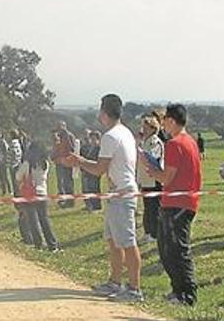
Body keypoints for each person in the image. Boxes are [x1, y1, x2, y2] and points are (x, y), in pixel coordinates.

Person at [67, 94, 143, 303]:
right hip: (117, 193)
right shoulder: (125, 132)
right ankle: (115, 282)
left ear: (103, 113)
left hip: (122, 193)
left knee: (127, 242)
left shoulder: (110, 137)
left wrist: (79, 161)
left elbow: (99, 169)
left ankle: (135, 288)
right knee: (113, 241)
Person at [144, 103, 201, 306]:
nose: (163, 126)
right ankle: (178, 290)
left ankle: (186, 293)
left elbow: (167, 178)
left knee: (175, 249)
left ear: (170, 121)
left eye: (165, 121)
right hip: (184, 201)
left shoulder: (175, 144)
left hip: (177, 203)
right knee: (168, 247)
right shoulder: (190, 142)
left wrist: (153, 171)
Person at [16, 139, 59, 252]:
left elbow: (18, 177)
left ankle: (38, 244)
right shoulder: (46, 164)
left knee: (33, 220)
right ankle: (52, 244)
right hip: (43, 193)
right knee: (44, 219)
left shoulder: (27, 164)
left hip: (30, 194)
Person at [137, 116, 164, 245]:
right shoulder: (145, 141)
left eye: (146, 127)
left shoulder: (155, 142)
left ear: (153, 128)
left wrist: (142, 154)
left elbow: (153, 158)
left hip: (154, 180)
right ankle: (147, 232)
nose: (144, 129)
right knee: (147, 207)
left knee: (154, 208)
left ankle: (155, 233)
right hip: (145, 180)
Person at [54, 122, 76, 208]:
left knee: (68, 183)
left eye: (60, 127)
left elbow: (72, 148)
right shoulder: (59, 137)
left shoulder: (69, 136)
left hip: (67, 162)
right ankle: (63, 200)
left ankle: (70, 202)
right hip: (59, 162)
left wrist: (66, 137)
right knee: (61, 183)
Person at [81, 130, 102, 211]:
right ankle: (90, 205)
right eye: (91, 138)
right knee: (89, 188)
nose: (92, 140)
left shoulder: (98, 148)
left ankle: (96, 206)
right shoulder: (90, 148)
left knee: (95, 188)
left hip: (95, 171)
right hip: (88, 171)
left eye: (94, 138)